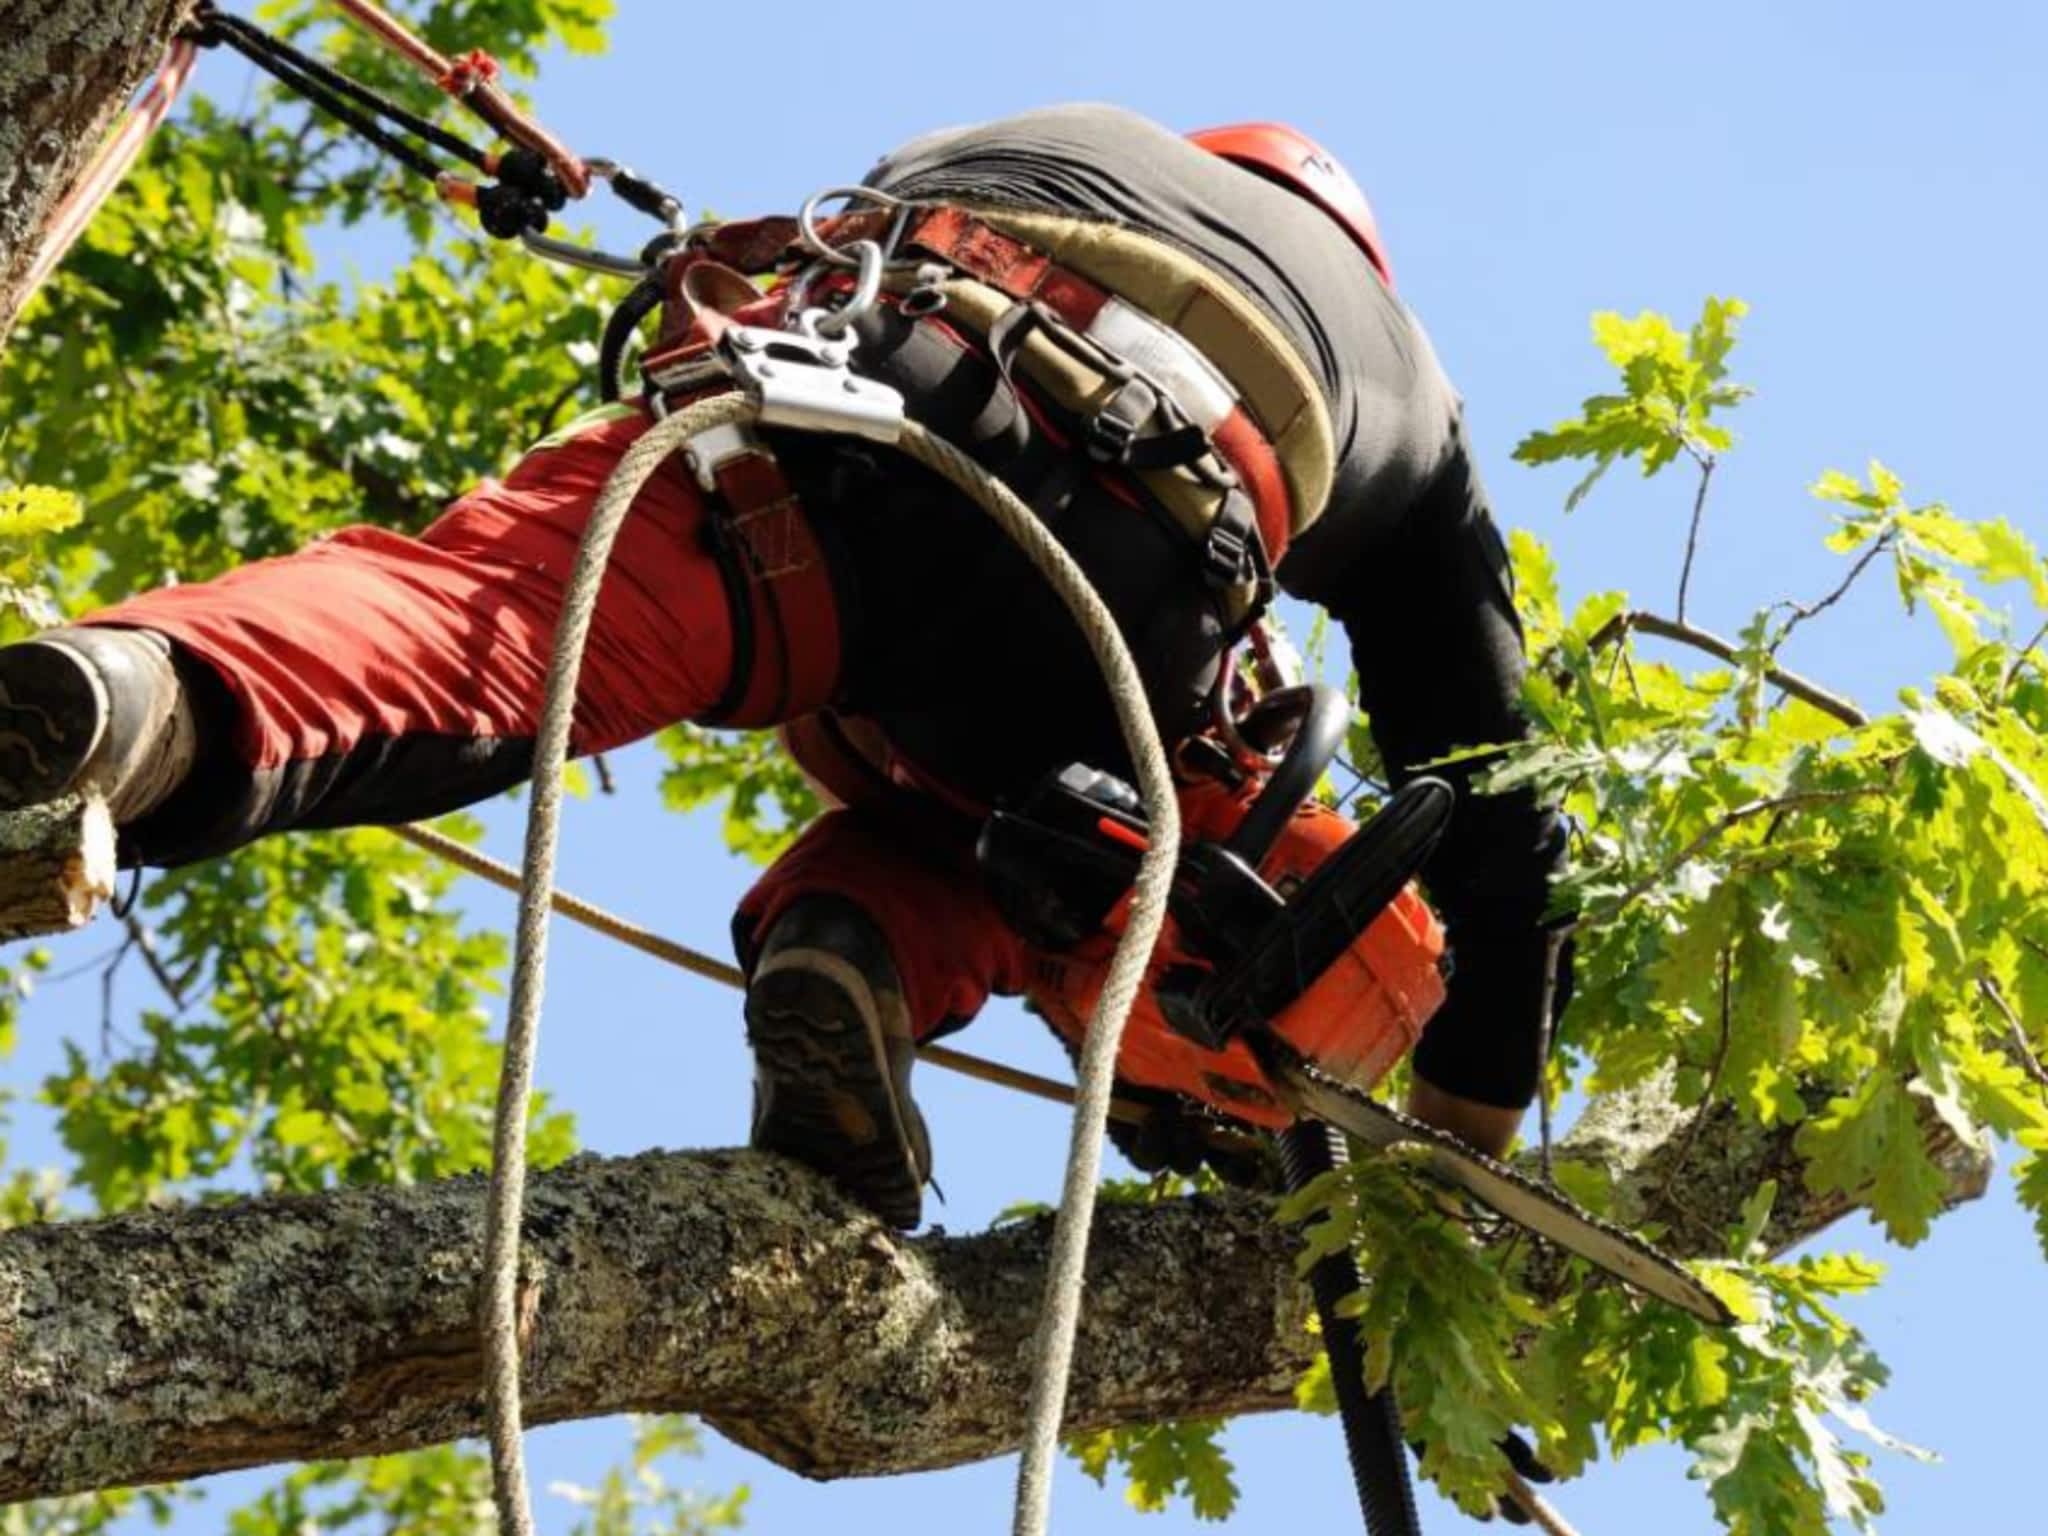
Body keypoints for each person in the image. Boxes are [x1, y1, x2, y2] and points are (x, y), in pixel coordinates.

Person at [0, 106, 1561, 1231]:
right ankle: (867, 953)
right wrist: (1467, 1129)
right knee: (1159, 814)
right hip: (1140, 571)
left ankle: (138, 698)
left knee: (498, 615)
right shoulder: (1400, 374)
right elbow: (1500, 795)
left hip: (843, 402)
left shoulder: (1042, 136)